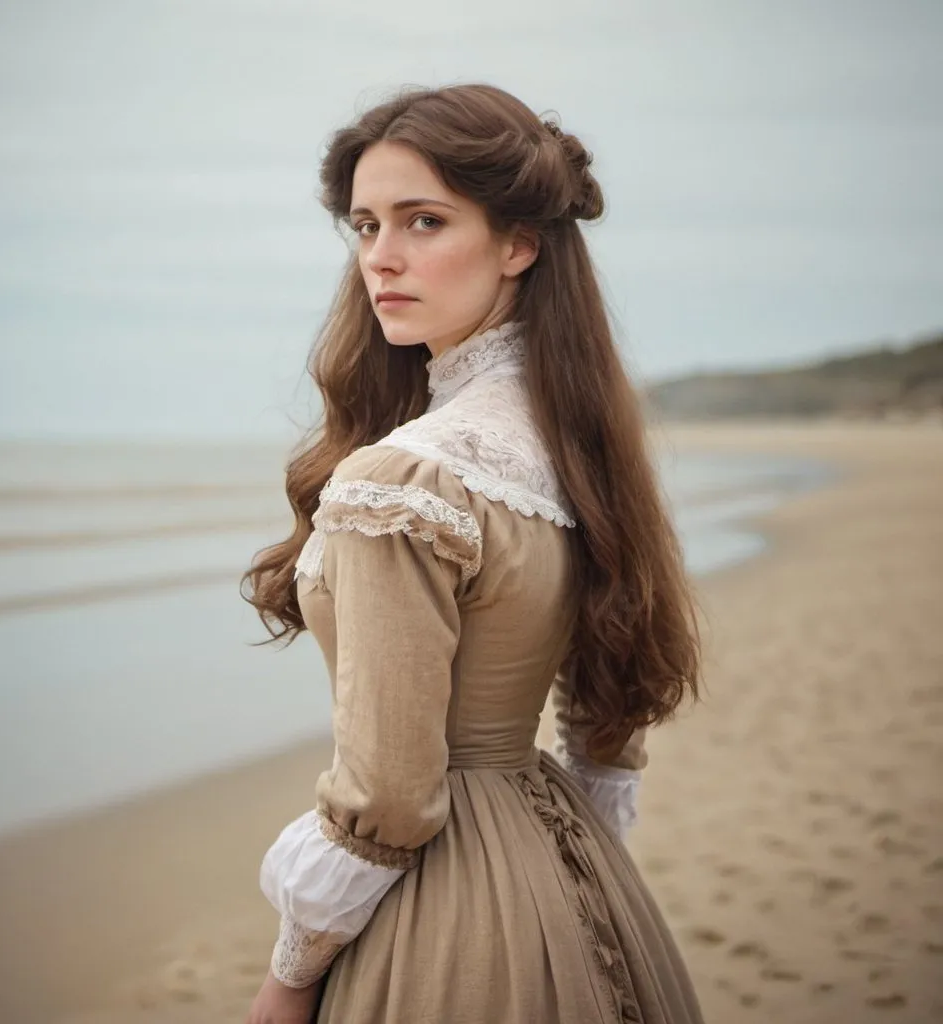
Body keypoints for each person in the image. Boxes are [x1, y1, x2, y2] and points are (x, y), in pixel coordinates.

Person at [242, 83, 704, 1024]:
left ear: (519, 243)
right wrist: (581, 862)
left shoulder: (405, 478)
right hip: (569, 862)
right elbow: (607, 717)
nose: (382, 258)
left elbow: (390, 793)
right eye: (365, 226)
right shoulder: (571, 441)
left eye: (424, 220)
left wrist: (290, 977)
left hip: (446, 910)